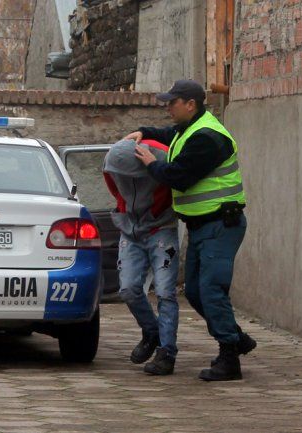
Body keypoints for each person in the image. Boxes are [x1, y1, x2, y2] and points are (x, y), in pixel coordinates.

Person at [126, 79, 256, 381]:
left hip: (221, 225)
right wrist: (145, 132)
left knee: (210, 290)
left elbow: (179, 176)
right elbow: (169, 134)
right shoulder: (189, 129)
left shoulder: (207, 137)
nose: (167, 107)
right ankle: (236, 338)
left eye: (172, 103)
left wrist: (150, 164)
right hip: (202, 227)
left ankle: (229, 358)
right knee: (196, 292)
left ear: (190, 104)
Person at [103, 138, 180, 375]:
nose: (126, 181)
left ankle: (167, 351)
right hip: (131, 231)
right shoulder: (111, 166)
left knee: (166, 290)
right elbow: (117, 192)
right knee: (128, 289)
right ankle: (152, 331)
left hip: (162, 230)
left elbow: (174, 185)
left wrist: (157, 214)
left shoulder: (164, 160)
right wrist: (125, 213)